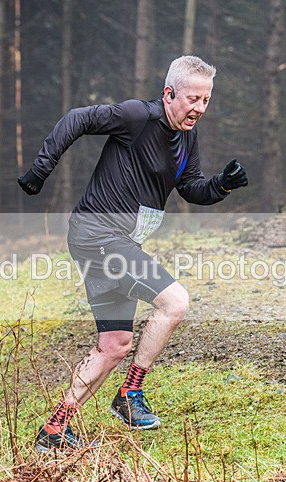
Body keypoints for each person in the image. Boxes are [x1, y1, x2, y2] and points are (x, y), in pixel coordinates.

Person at [17, 55, 248, 452]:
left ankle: (54, 430)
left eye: (206, 100)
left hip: (116, 242)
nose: (199, 109)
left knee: (115, 344)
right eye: (193, 99)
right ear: (169, 93)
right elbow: (77, 118)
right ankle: (130, 395)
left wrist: (223, 185)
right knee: (174, 301)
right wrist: (41, 168)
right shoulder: (137, 116)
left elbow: (191, 188)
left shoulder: (187, 138)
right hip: (98, 234)